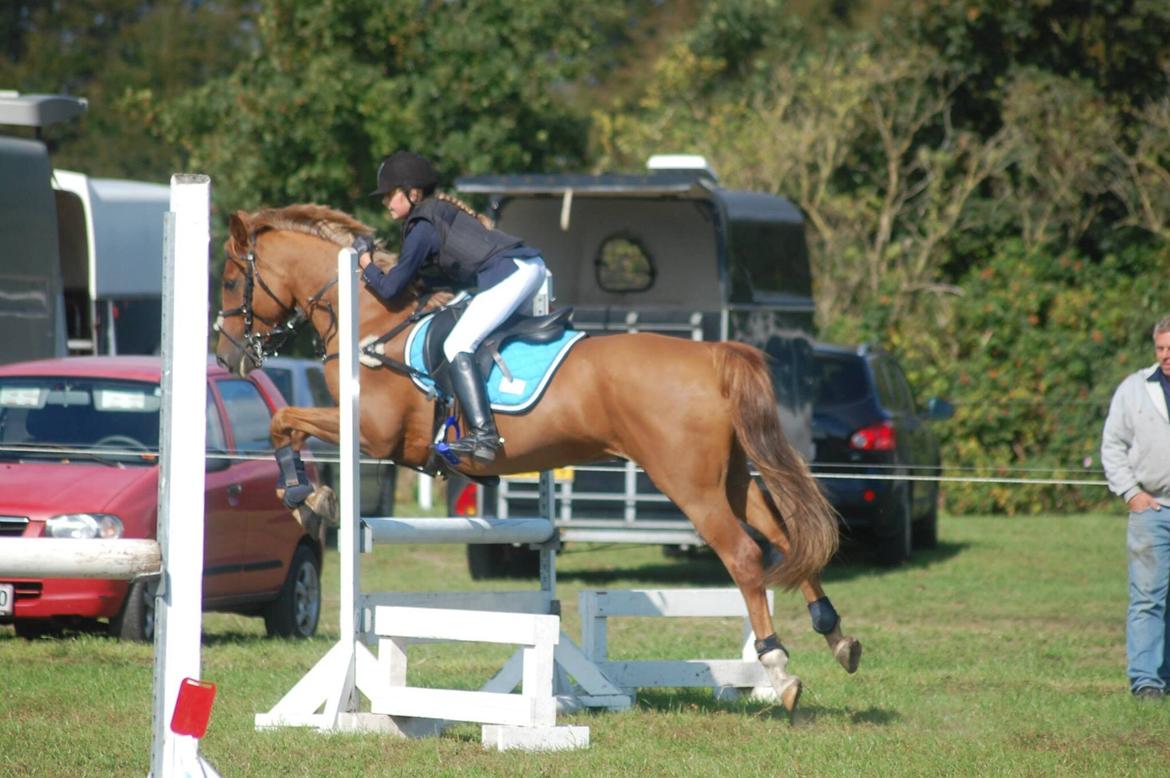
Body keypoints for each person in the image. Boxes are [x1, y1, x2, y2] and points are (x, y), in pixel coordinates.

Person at [352, 151, 547, 464]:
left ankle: (484, 434)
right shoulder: (437, 215)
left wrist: (365, 262)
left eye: (390, 194)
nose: (386, 202)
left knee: (457, 344)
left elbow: (389, 288)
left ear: (413, 193)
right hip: (529, 268)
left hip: (512, 274)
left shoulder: (422, 226)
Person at [1101, 314, 1170, 700]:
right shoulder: (1134, 389)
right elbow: (1112, 444)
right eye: (1160, 348)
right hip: (1152, 508)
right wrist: (1131, 493)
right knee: (1147, 597)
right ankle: (1146, 681)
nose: (1165, 355)